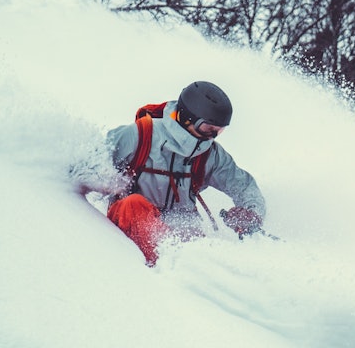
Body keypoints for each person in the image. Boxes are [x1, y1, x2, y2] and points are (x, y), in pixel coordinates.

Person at [96, 80, 266, 265]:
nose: (213, 136)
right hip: (130, 226)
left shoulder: (210, 155)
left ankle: (205, 274)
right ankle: (169, 267)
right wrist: (107, 182)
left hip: (182, 233)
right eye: (209, 129)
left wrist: (252, 214)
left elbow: (245, 186)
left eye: (219, 131)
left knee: (197, 242)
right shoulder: (140, 135)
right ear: (187, 119)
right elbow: (92, 158)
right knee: (133, 204)